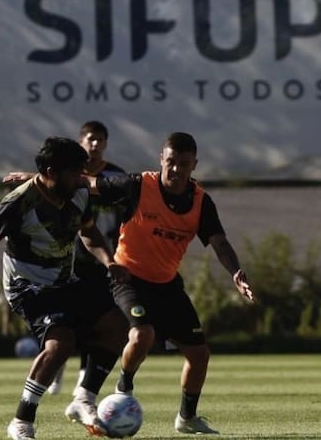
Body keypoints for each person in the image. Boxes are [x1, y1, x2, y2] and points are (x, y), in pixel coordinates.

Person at [85, 131, 255, 435]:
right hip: (128, 277)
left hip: (167, 285)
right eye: (171, 162)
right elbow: (88, 183)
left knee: (200, 356)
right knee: (142, 334)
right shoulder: (138, 185)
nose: (176, 169)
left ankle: (187, 419)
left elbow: (219, 242)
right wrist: (36, 179)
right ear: (161, 159)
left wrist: (235, 272)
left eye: (184, 164)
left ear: (194, 165)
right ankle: (123, 389)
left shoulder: (201, 202)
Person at [0, 137, 128, 440]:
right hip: (26, 286)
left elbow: (88, 232)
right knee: (60, 345)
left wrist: (110, 262)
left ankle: (83, 399)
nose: (81, 177)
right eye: (74, 171)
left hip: (64, 281)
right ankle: (21, 421)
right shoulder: (19, 201)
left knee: (116, 327)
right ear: (51, 171)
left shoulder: (78, 192)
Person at [48, 120, 127, 396]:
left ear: (105, 144)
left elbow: (126, 215)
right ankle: (56, 371)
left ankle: (85, 378)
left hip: (105, 259)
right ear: (81, 142)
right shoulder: (69, 176)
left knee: (100, 321)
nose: (95, 145)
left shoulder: (116, 176)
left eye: (100, 140)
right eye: (91, 139)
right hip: (69, 259)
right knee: (63, 320)